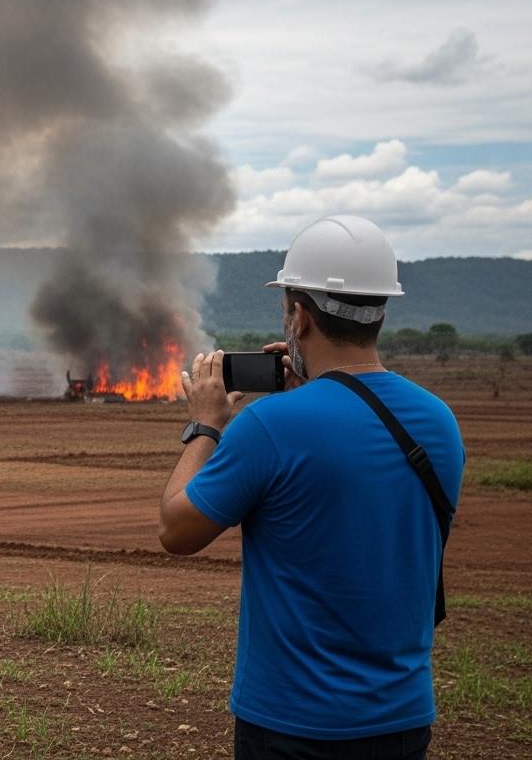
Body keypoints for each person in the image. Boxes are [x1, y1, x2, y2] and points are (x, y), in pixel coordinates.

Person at [159, 215, 464, 759]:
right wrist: (320, 389)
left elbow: (176, 528)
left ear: (297, 316)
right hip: (403, 722)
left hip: (291, 726)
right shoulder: (440, 421)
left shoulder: (270, 425)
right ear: (381, 312)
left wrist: (206, 426)